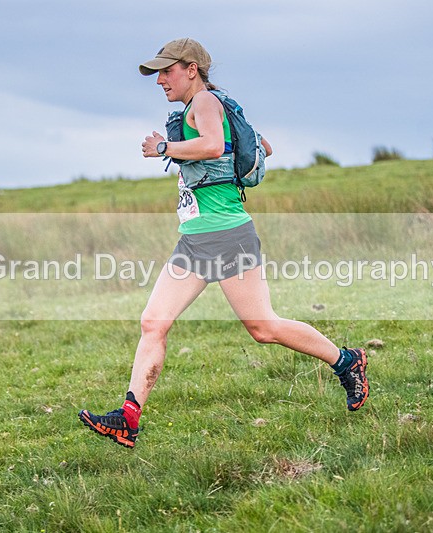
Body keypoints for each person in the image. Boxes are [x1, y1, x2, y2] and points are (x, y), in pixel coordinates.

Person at [79, 38, 368, 448]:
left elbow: (214, 144)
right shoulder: (205, 107)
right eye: (158, 73)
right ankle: (128, 417)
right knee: (153, 322)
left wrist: (165, 147)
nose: (160, 80)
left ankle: (347, 361)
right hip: (195, 240)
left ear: (192, 69)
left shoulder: (206, 103)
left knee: (264, 327)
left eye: (167, 70)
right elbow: (261, 147)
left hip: (229, 236)